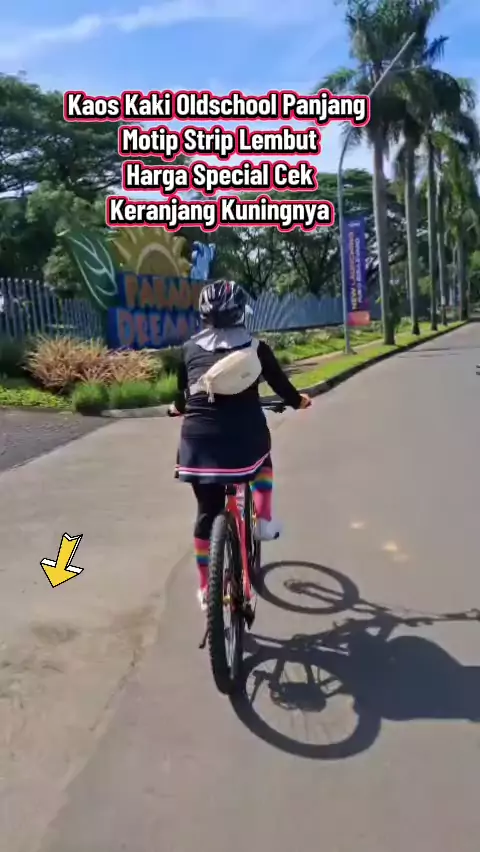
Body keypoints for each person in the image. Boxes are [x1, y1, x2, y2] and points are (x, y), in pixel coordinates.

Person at [169, 279, 311, 610]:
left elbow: (182, 396)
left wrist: (176, 409)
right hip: (245, 441)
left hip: (198, 446)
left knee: (206, 513)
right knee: (263, 461)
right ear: (241, 313)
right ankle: (264, 522)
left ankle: (205, 589)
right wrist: (299, 401)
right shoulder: (257, 349)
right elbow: (284, 389)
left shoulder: (188, 350)